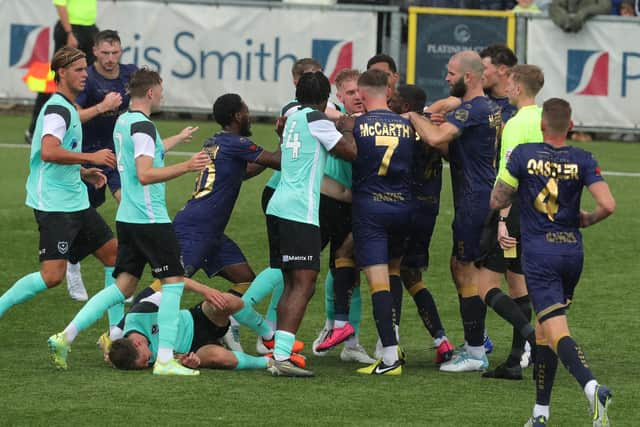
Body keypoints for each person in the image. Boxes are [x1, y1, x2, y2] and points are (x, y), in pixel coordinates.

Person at [47, 68, 211, 376]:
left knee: (123, 286)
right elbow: (146, 173)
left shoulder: (125, 122)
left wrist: (178, 138)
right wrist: (188, 166)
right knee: (174, 282)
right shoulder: (144, 128)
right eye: (160, 90)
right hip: (150, 219)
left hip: (128, 218)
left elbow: (147, 152)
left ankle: (65, 335)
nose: (162, 94)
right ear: (151, 93)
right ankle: (164, 360)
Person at [490, 97, 615, 427]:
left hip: (539, 253)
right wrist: (585, 219)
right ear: (570, 126)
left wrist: (515, 185)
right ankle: (540, 413)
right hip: (571, 252)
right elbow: (608, 204)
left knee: (556, 330)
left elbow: (497, 199)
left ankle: (592, 387)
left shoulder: (524, 155)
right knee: (545, 331)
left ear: (543, 124)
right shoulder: (583, 158)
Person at [0, 47, 117, 325]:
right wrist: (91, 156)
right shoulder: (57, 110)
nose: (85, 75)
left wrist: (83, 171)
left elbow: (61, 153)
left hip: (75, 199)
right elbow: (48, 152)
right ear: (61, 73)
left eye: (85, 69)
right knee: (52, 276)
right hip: (54, 204)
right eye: (78, 69)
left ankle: (115, 333)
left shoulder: (69, 108)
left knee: (115, 256)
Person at [408, 50, 502, 372]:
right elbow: (455, 149)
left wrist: (413, 116)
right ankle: (478, 342)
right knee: (464, 267)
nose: (446, 78)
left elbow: (435, 138)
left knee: (464, 269)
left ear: (469, 77)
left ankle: (476, 351)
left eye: (451, 73)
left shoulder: (471, 110)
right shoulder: (487, 108)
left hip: (474, 199)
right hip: (482, 194)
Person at [171, 93, 282, 352]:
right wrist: (287, 137)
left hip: (211, 231)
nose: (250, 115)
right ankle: (127, 331)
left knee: (246, 280)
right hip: (196, 229)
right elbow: (278, 161)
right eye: (246, 110)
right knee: (170, 284)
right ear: (237, 116)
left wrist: (265, 159)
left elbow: (242, 172)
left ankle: (223, 321)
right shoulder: (236, 143)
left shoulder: (216, 142)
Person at [265, 71, 357, 377]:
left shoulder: (293, 117)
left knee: (292, 283)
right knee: (304, 283)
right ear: (325, 97)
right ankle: (281, 356)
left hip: (279, 206)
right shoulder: (317, 119)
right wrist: (347, 126)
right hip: (298, 211)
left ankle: (278, 352)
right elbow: (349, 152)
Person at [477, 64, 546, 380]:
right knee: (518, 285)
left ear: (518, 87)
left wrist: (503, 220)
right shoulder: (546, 119)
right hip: (541, 211)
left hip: (515, 210)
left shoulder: (516, 125)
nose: (506, 86)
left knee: (486, 287)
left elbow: (508, 178)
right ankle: (515, 362)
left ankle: (534, 340)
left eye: (510, 82)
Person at [349, 69, 415, 376]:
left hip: (370, 209)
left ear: (361, 95)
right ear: (387, 91)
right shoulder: (407, 124)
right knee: (394, 273)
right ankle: (392, 347)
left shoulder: (357, 125)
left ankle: (389, 357)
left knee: (378, 283)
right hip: (403, 208)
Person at [65, 29, 137, 304]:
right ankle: (72, 259)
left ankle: (125, 277)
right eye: (104, 53)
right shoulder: (88, 80)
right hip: (88, 157)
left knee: (130, 207)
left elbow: (149, 88)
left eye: (115, 52)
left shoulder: (129, 74)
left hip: (117, 157)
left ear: (121, 51)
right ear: (94, 51)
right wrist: (102, 106)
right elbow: (73, 118)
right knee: (86, 217)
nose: (110, 58)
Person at [311, 68, 375, 364]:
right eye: (350, 93)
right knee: (297, 269)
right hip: (327, 202)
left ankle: (350, 339)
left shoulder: (369, 121)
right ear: (339, 97)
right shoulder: (330, 118)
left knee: (347, 271)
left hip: (356, 205)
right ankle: (261, 326)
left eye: (359, 92)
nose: (357, 97)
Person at [388, 84, 454, 365]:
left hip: (404, 207)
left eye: (393, 102)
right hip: (429, 209)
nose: (388, 105)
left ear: (404, 107)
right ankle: (441, 340)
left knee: (389, 269)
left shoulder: (400, 131)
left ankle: (391, 343)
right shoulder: (435, 132)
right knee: (412, 275)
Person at [107, 288, 279, 372]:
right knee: (221, 358)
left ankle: (268, 336)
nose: (149, 363)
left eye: (146, 360)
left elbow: (170, 288)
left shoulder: (140, 313)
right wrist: (188, 362)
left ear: (137, 343)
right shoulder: (132, 353)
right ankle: (271, 361)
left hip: (197, 319)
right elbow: (175, 359)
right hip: (196, 349)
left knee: (224, 300)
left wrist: (205, 291)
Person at [26, 0, 100, 144]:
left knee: (90, 78)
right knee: (56, 79)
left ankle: (82, 128)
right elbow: (60, 4)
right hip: (71, 29)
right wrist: (69, 32)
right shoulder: (69, 31)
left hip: (89, 29)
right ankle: (34, 129)